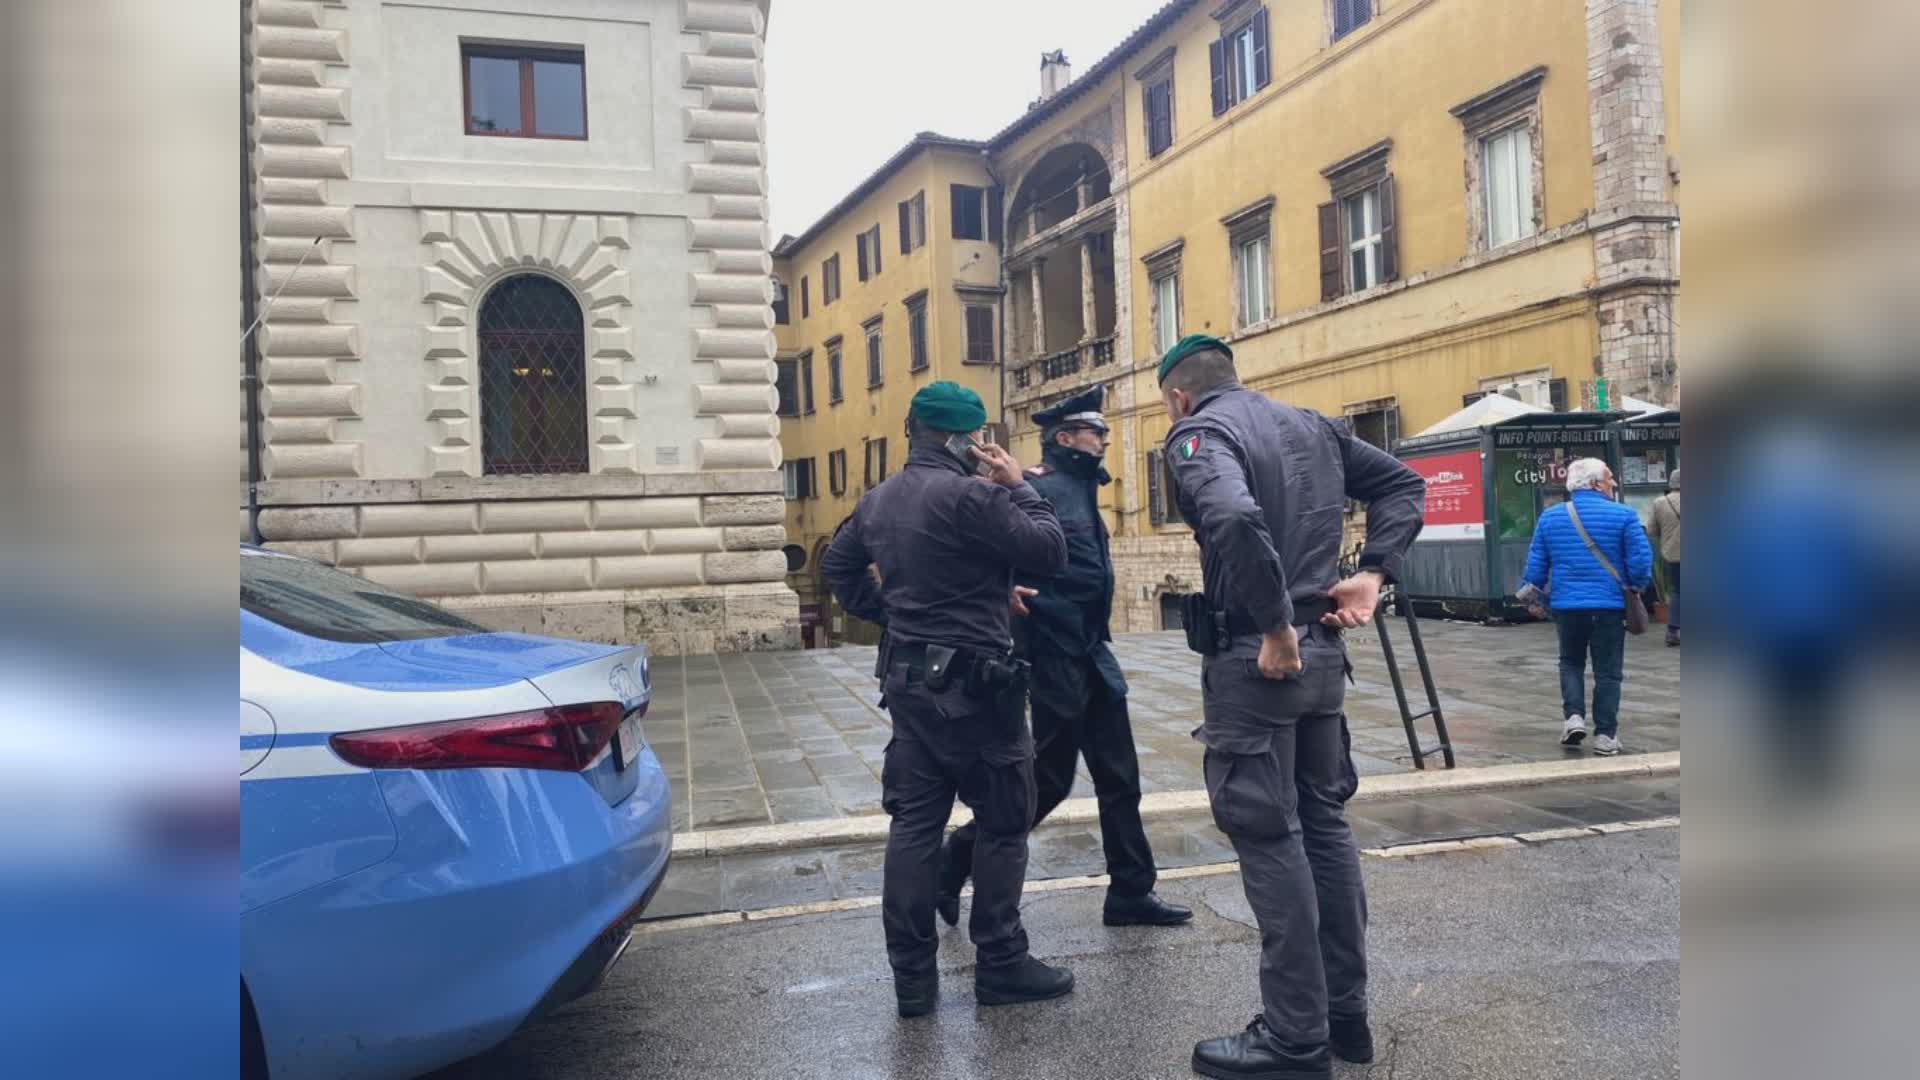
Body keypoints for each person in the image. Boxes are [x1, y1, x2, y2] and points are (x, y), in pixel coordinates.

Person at [1155, 336, 1426, 1080]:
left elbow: (1236, 522)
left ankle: (1293, 1036)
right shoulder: (1315, 426)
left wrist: (1274, 626)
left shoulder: (1199, 433)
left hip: (1260, 656)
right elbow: (1404, 485)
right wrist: (1374, 574)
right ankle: (1345, 1016)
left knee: (1270, 835)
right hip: (1325, 655)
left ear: (1179, 395)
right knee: (1325, 829)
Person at [819, 380, 1073, 1019]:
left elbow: (840, 570)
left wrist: (895, 615)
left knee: (913, 828)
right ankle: (1002, 963)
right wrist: (1018, 482)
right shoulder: (974, 495)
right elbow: (1051, 551)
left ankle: (912, 982)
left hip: (908, 687)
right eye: (981, 440)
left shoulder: (877, 500)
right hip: (978, 691)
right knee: (1005, 821)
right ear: (964, 441)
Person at [937, 385, 1192, 932]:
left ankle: (1131, 892)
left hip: (1093, 652)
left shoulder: (1081, 490)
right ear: (1065, 438)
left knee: (1120, 776)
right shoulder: (1034, 487)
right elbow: (987, 548)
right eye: (1093, 432)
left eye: (1102, 431)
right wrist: (1001, 592)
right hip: (1052, 653)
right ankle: (956, 857)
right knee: (1049, 779)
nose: (1103, 439)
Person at [1520, 457, 1655, 755]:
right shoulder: (1624, 515)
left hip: (1566, 606)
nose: (1613, 483)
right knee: (1608, 671)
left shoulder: (1550, 517)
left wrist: (1535, 600)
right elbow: (1641, 562)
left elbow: (1536, 566)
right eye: (1609, 478)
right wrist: (1635, 587)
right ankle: (1605, 736)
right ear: (1595, 483)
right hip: (1609, 606)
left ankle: (1574, 718)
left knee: (1570, 662)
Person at [1645, 468, 1682, 646]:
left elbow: (1651, 530)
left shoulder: (1661, 502)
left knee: (1677, 591)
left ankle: (1672, 631)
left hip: (1673, 554)